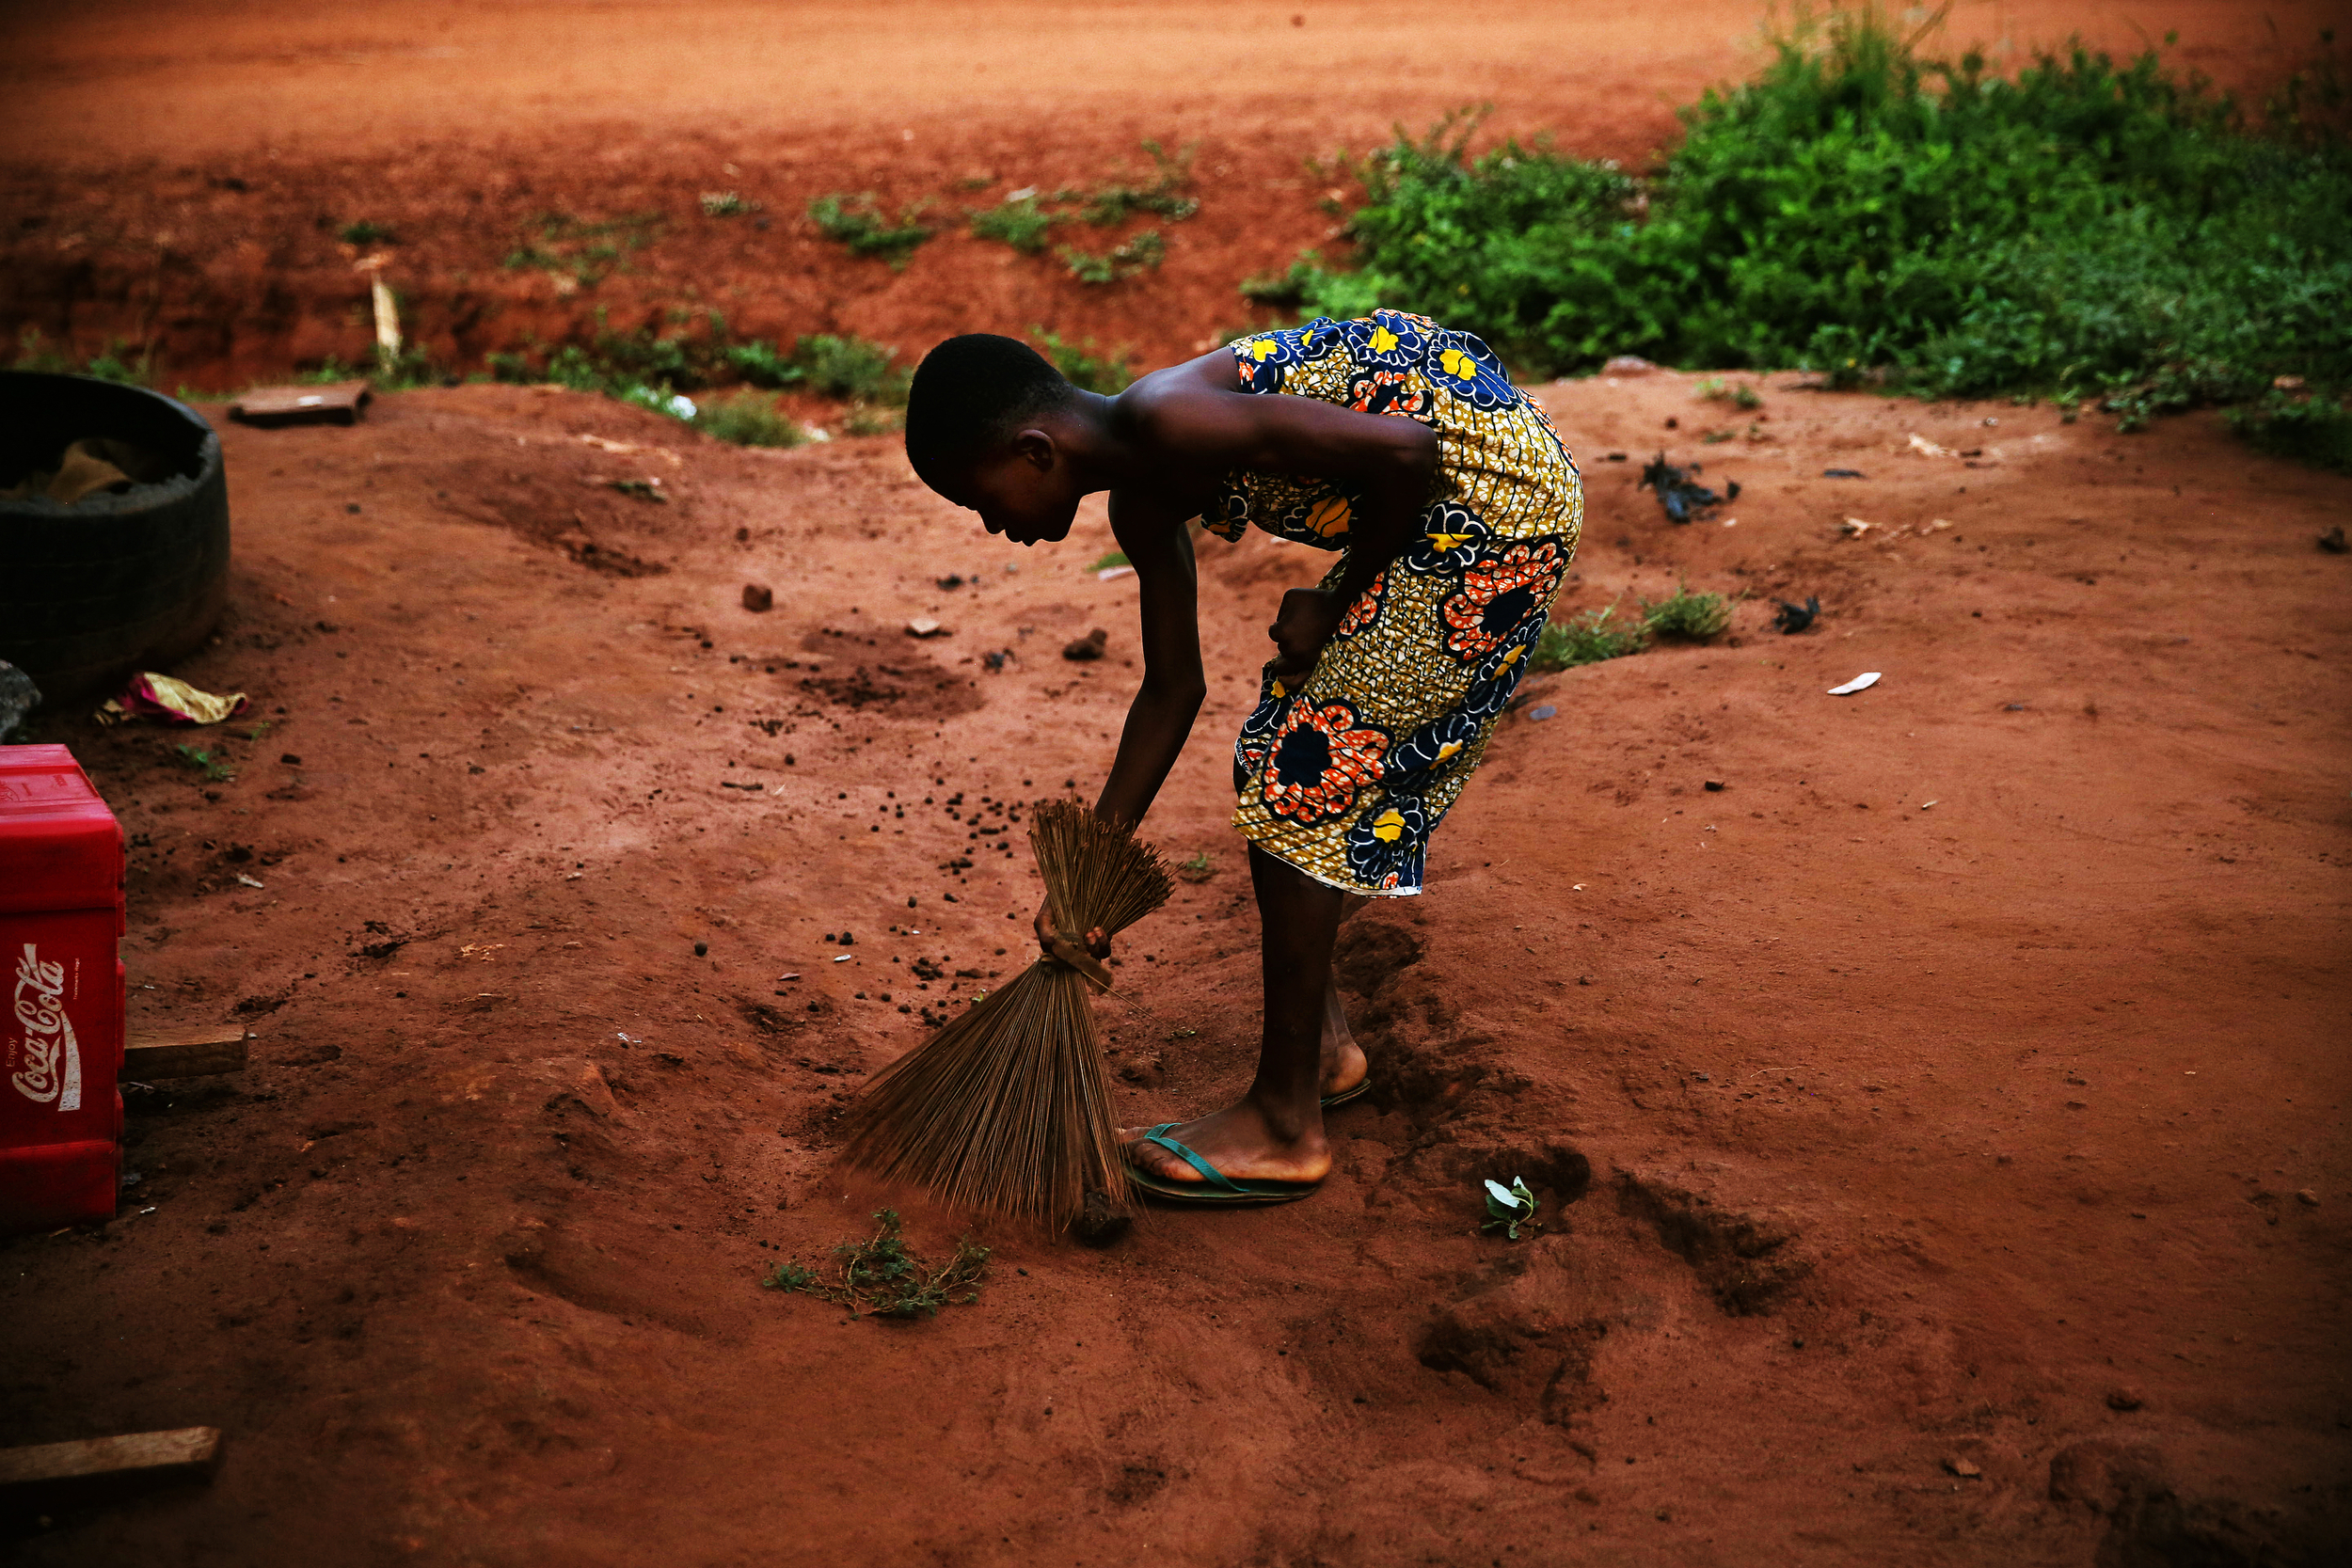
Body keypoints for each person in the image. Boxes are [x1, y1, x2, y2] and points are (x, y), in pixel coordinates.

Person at [902, 310, 1583, 1204]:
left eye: (975, 499)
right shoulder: (1141, 499)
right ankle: (1327, 1050)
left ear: (1034, 450)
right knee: (1278, 746)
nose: (989, 524)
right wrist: (1087, 873)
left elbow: (1411, 454)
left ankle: (1285, 1124)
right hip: (1437, 516)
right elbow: (1172, 688)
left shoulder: (1166, 419)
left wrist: (1337, 600)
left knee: (1301, 780)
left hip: (1495, 511)